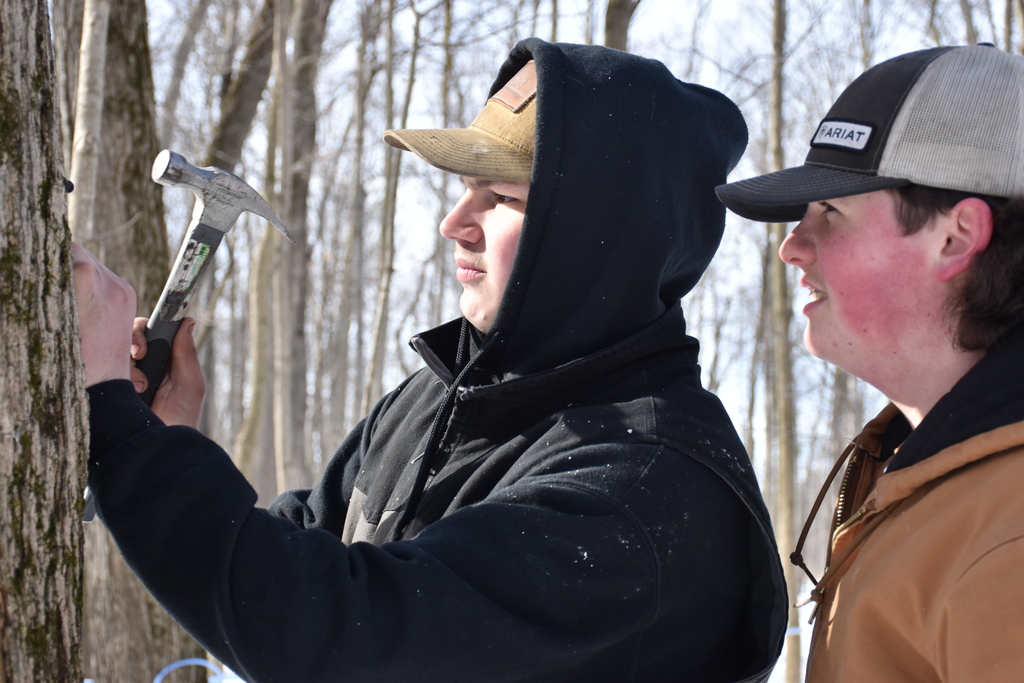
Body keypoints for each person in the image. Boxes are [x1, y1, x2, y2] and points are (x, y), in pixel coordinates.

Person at [75, 38, 786, 682]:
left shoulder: (644, 492)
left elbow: (353, 641)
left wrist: (123, 429)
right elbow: (297, 559)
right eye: (462, 188)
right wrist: (165, 446)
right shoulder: (445, 397)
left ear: (600, 238)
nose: (454, 223)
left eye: (501, 198)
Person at [716, 44, 1024, 682]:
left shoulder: (1008, 538)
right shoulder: (926, 470)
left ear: (956, 237)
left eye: (831, 212)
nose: (792, 247)